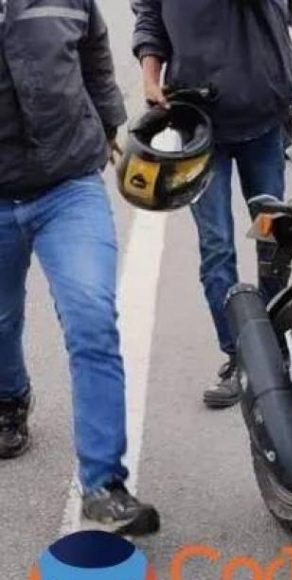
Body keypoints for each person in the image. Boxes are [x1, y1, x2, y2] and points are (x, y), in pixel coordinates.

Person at [0, 0, 160, 535]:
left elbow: (93, 50)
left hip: (68, 185)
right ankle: (9, 398)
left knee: (91, 317)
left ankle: (104, 483)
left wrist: (111, 121)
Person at [132, 0, 292, 409]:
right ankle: (241, 357)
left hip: (262, 118)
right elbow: (150, 18)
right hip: (198, 127)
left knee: (271, 237)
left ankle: (273, 346)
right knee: (217, 245)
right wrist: (150, 78)